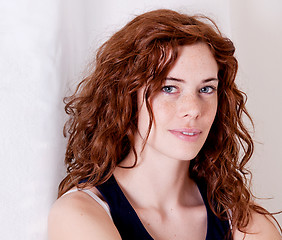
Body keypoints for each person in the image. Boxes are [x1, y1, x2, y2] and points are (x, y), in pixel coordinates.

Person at [48, 9, 281, 240]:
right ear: (126, 98)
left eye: (206, 89)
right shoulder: (79, 214)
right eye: (169, 88)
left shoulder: (246, 223)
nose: (193, 109)